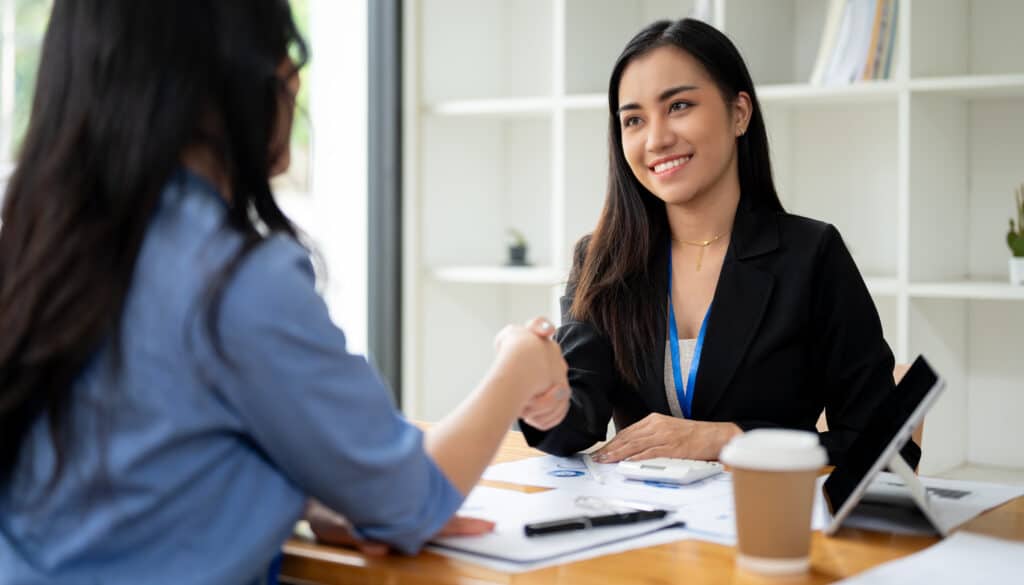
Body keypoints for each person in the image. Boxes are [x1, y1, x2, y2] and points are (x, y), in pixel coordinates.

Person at [0, 1, 569, 583]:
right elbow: (409, 500)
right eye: (287, 56)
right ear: (230, 78)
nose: (294, 81)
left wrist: (304, 494)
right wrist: (520, 364)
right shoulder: (233, 278)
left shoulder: (34, 248)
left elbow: (136, 463)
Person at [518, 18, 919, 469]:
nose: (656, 139)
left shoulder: (812, 254)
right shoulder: (601, 260)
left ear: (739, 113)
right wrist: (540, 401)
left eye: (680, 105)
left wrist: (730, 439)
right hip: (638, 525)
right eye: (634, 119)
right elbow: (578, 422)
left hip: (769, 521)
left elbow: (885, 445)